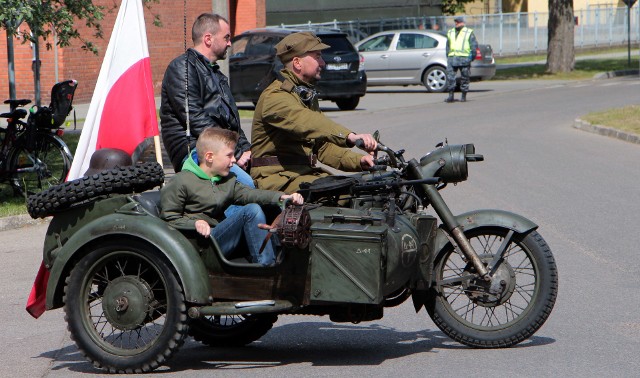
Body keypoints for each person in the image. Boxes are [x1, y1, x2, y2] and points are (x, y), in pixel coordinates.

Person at [250, 31, 377, 193]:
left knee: (365, 190)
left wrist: (360, 161)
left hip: (302, 175)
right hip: (276, 179)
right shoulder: (275, 97)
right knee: (342, 194)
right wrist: (350, 136)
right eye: (317, 57)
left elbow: (322, 147)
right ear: (297, 62)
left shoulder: (302, 94)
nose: (323, 63)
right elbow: (306, 122)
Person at [160, 127, 304, 267]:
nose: (234, 160)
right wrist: (195, 223)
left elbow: (251, 194)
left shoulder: (227, 180)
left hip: (219, 237)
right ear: (209, 157)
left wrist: (283, 197)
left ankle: (283, 261)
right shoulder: (181, 181)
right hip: (202, 246)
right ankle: (266, 268)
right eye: (229, 155)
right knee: (251, 211)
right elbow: (168, 219)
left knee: (268, 207)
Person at [160, 13, 253, 187]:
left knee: (264, 175)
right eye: (226, 37)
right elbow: (195, 117)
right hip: (196, 151)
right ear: (208, 39)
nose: (229, 43)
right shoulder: (183, 68)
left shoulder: (216, 74)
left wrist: (246, 149)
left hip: (220, 149)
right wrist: (236, 152)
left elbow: (231, 122)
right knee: (246, 185)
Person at [444, 16, 478, 103]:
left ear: (463, 23)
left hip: (464, 59)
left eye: (458, 22)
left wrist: (471, 57)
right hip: (452, 58)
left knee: (465, 78)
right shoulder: (450, 32)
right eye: (455, 22)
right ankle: (450, 96)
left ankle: (463, 96)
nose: (456, 23)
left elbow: (473, 46)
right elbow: (448, 45)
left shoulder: (468, 32)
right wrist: (448, 55)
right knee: (450, 78)